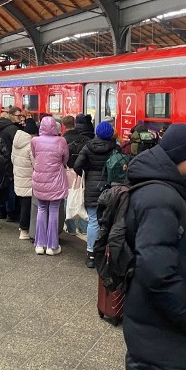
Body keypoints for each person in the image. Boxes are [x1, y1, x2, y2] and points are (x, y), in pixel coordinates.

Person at [123, 123, 186, 370]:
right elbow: (156, 270)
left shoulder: (166, 191)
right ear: (180, 156)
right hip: (166, 329)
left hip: (159, 325)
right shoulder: (160, 198)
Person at [73, 121, 117, 268]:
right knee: (109, 221)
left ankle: (91, 255)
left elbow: (77, 166)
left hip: (92, 187)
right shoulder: (115, 148)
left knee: (93, 221)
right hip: (110, 188)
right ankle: (106, 252)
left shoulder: (88, 146)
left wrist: (88, 173)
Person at [30, 116, 69, 255]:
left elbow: (35, 156)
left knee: (41, 209)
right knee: (54, 210)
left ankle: (39, 244)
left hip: (40, 178)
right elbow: (65, 159)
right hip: (56, 179)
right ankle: (52, 246)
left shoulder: (35, 140)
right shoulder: (61, 140)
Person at [62, 115, 90, 236]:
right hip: (81, 172)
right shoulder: (84, 139)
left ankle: (71, 228)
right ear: (74, 123)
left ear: (64, 125)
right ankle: (83, 227)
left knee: (68, 199)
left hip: (67, 172)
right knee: (81, 197)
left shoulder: (63, 140)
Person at [12, 118, 38, 240]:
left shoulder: (17, 141)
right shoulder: (30, 145)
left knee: (22, 203)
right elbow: (35, 164)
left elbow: (12, 158)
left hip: (18, 175)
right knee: (27, 206)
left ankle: (22, 226)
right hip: (28, 178)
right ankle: (24, 230)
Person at [0, 109, 23, 222]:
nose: (20, 118)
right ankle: (11, 212)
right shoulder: (13, 129)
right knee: (11, 187)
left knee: (1, 186)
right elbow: (18, 145)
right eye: (18, 115)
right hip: (9, 160)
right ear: (11, 115)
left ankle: (2, 210)